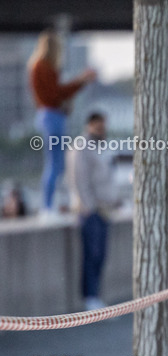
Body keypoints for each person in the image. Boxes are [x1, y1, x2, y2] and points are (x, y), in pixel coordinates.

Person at [27, 29, 97, 216]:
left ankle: (53, 204)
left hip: (52, 115)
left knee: (59, 164)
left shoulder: (39, 66)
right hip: (52, 116)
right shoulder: (42, 67)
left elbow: (54, 94)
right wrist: (81, 81)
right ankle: (47, 206)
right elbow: (56, 94)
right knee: (54, 163)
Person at [67, 112, 118, 311]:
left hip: (104, 209)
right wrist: (86, 206)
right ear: (90, 125)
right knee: (92, 254)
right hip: (90, 210)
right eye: (99, 126)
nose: (103, 130)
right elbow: (79, 179)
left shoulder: (102, 146)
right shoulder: (81, 146)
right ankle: (90, 297)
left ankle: (95, 295)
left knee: (100, 255)